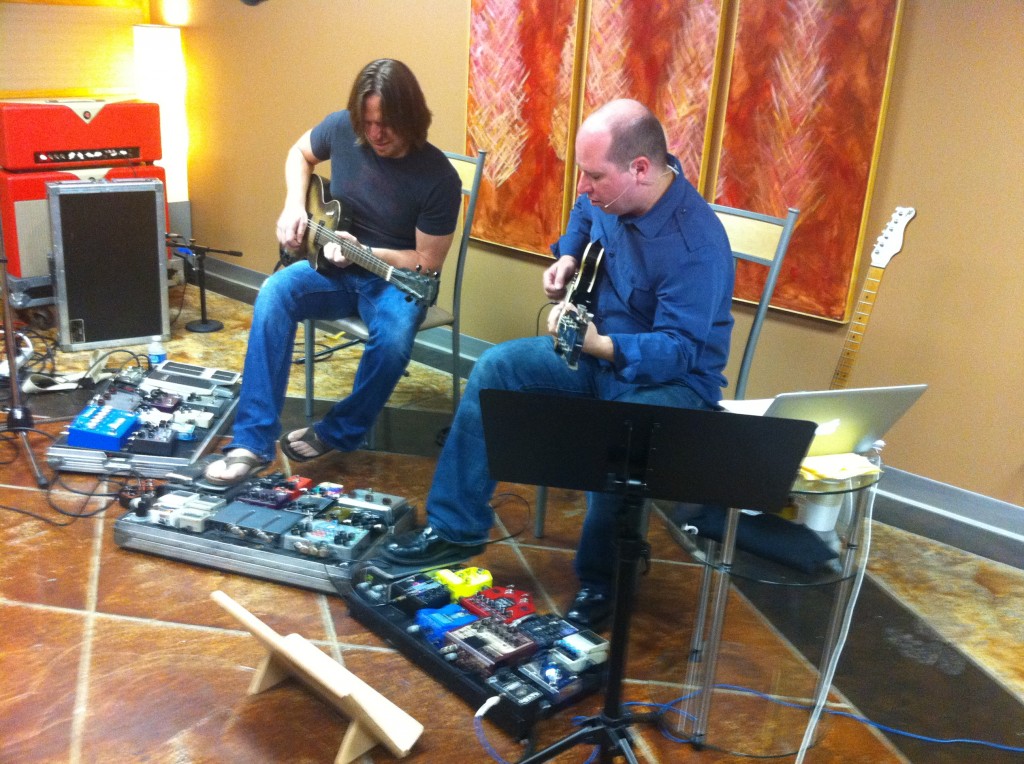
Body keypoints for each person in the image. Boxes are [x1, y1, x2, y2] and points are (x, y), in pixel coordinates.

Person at [385, 98, 735, 629]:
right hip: (599, 351)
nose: (584, 187)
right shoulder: (613, 195)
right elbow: (584, 212)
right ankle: (454, 530)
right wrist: (568, 253)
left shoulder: (697, 244)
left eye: (594, 175)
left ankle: (604, 580)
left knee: (614, 434)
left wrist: (602, 347)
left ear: (641, 170)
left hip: (673, 382)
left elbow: (680, 351)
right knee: (496, 369)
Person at [204, 59, 462, 486]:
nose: (375, 134)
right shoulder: (343, 128)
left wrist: (367, 252)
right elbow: (298, 153)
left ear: (411, 119)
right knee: (274, 293)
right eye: (368, 122)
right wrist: (292, 206)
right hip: (333, 269)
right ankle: (251, 441)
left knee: (395, 339)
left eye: (386, 124)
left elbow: (426, 262)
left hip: (393, 280)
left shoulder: (438, 178)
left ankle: (339, 431)